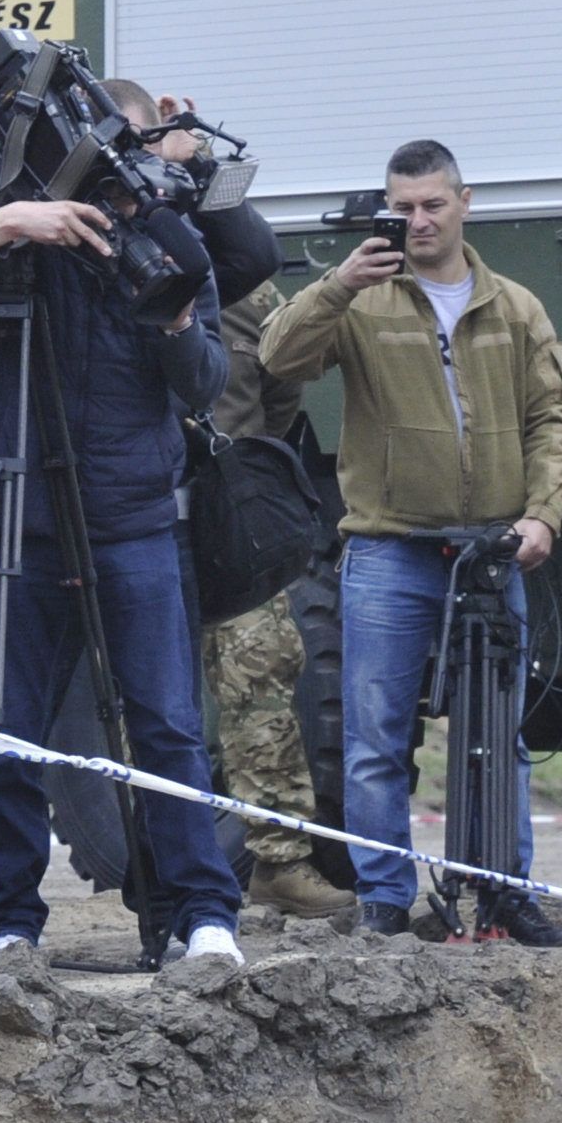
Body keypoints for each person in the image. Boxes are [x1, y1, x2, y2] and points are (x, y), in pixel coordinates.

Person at [0, 91, 247, 964]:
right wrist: (9, 224)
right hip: (16, 515)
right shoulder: (14, 213)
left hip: (132, 519)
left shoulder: (173, 236)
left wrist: (170, 320)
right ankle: (5, 917)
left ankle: (202, 914)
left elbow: (207, 380)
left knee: (167, 724)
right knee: (5, 722)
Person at [254, 140, 562, 945]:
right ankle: (384, 900)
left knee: (497, 736)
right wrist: (338, 283)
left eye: (433, 204)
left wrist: (542, 515)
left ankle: (504, 892)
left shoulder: (515, 307)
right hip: (388, 548)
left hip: (490, 553)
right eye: (402, 206)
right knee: (375, 735)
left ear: (465, 202)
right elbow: (275, 355)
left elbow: (552, 421)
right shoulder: (364, 300)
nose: (418, 220)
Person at [205, 276, 356, 920]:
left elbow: (281, 394)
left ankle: (280, 861)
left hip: (226, 513)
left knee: (264, 671)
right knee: (137, 698)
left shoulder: (246, 292)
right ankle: (160, 864)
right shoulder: (97, 262)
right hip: (128, 510)